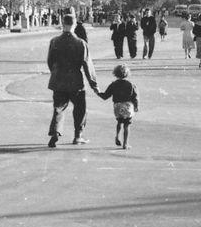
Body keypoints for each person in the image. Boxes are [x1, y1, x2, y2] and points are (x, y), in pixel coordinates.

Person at [46, 14, 99, 148]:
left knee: (59, 108)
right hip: (76, 82)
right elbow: (87, 65)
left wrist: (56, 73)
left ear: (62, 25)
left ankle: (55, 133)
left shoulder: (54, 41)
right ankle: (78, 136)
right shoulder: (81, 43)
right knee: (80, 108)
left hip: (58, 80)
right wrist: (93, 84)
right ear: (74, 25)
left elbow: (50, 61)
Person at [97, 64, 139, 150]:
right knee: (127, 125)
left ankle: (117, 136)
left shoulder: (113, 84)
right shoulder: (131, 84)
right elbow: (135, 97)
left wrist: (97, 92)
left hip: (117, 106)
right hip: (127, 106)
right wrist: (136, 106)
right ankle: (125, 144)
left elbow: (105, 96)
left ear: (115, 73)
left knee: (119, 122)